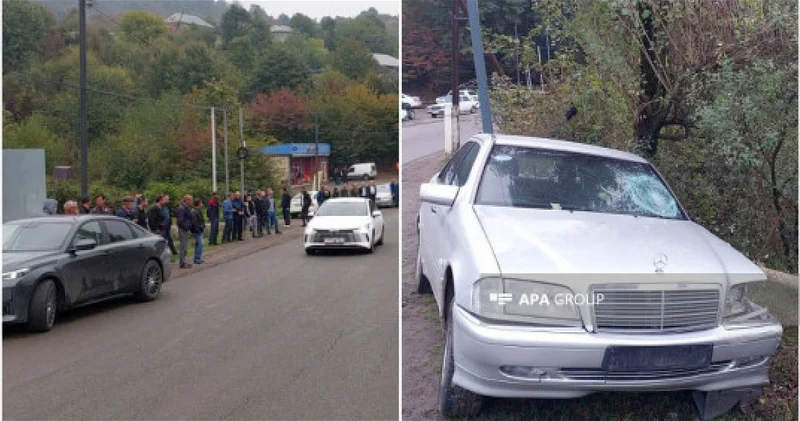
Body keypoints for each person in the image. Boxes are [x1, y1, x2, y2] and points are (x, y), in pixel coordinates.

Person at [176, 194, 194, 269]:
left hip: (185, 229)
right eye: (191, 200)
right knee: (183, 246)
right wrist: (187, 226)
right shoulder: (181, 208)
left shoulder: (186, 208)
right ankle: (182, 263)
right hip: (183, 229)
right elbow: (180, 221)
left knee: (185, 246)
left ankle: (184, 261)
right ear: (187, 200)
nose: (192, 202)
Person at [190, 198, 205, 265]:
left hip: (200, 229)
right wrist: (198, 230)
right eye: (201, 203)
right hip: (197, 231)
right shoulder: (193, 211)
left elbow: (201, 220)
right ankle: (197, 259)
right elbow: (194, 222)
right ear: (198, 203)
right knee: (200, 244)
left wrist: (203, 225)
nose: (202, 204)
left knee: (198, 244)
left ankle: (197, 258)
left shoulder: (198, 210)